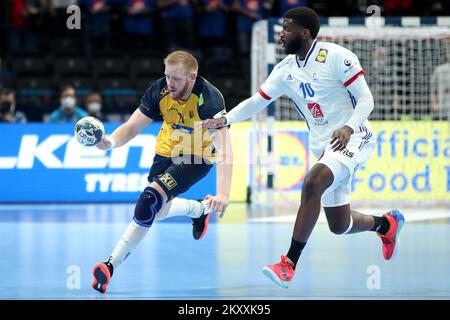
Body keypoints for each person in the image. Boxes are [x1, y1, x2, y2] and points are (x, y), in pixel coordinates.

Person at [202, 7, 405, 289]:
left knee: (312, 184)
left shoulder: (337, 56)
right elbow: (257, 101)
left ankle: (288, 264)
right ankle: (386, 225)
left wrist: (348, 126)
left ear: (305, 33)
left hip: (354, 137)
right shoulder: (284, 70)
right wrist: (226, 118)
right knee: (339, 225)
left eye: (286, 29)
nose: (281, 34)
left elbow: (366, 100)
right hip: (323, 146)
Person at [91, 51, 233, 293]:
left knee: (148, 202)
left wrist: (223, 194)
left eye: (176, 78)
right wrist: (110, 142)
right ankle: (199, 210)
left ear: (192, 77)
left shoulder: (209, 101)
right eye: (167, 76)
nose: (170, 83)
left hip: (196, 155)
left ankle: (110, 265)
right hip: (167, 148)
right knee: (157, 210)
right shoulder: (159, 90)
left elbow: (226, 152)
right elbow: (132, 127)